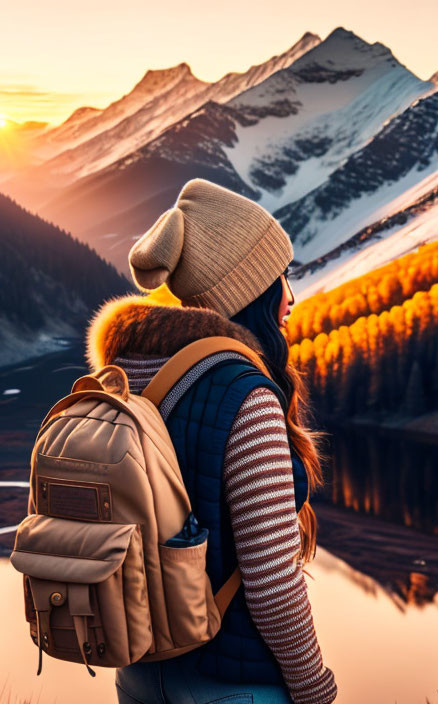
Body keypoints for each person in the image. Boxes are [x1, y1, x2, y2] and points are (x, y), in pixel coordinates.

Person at [84, 178, 338, 704]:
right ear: (252, 290)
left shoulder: (128, 374)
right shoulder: (244, 395)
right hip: (233, 688)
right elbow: (272, 584)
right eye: (282, 277)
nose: (291, 295)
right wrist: (314, 687)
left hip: (138, 676)